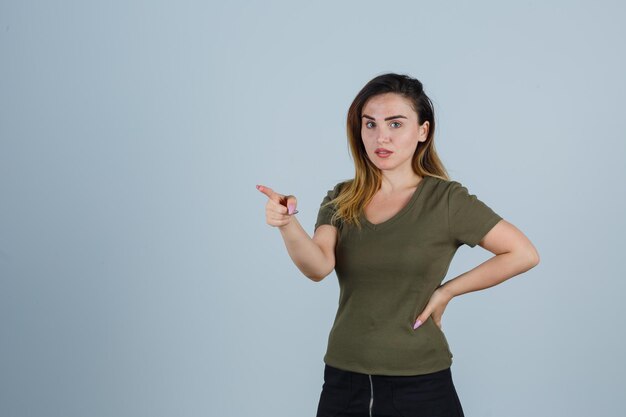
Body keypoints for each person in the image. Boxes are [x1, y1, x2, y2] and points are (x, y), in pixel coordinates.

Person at [256, 73, 540, 417]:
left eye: (395, 124)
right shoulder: (341, 198)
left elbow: (523, 253)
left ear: (423, 131)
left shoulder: (445, 200)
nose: (381, 137)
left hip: (422, 385)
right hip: (344, 382)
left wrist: (447, 291)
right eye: (370, 124)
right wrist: (287, 223)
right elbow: (317, 267)